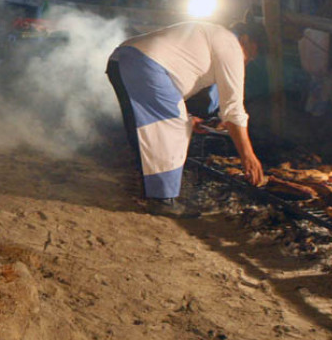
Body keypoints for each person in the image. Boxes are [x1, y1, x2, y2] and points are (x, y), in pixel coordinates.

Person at [106, 21, 266, 217]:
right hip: (144, 64)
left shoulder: (213, 33)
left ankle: (150, 188)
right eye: (252, 52)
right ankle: (162, 200)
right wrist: (248, 156)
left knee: (155, 127)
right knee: (174, 128)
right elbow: (233, 108)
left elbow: (175, 80)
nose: (250, 59)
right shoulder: (231, 45)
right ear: (246, 39)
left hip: (121, 60)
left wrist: (189, 118)